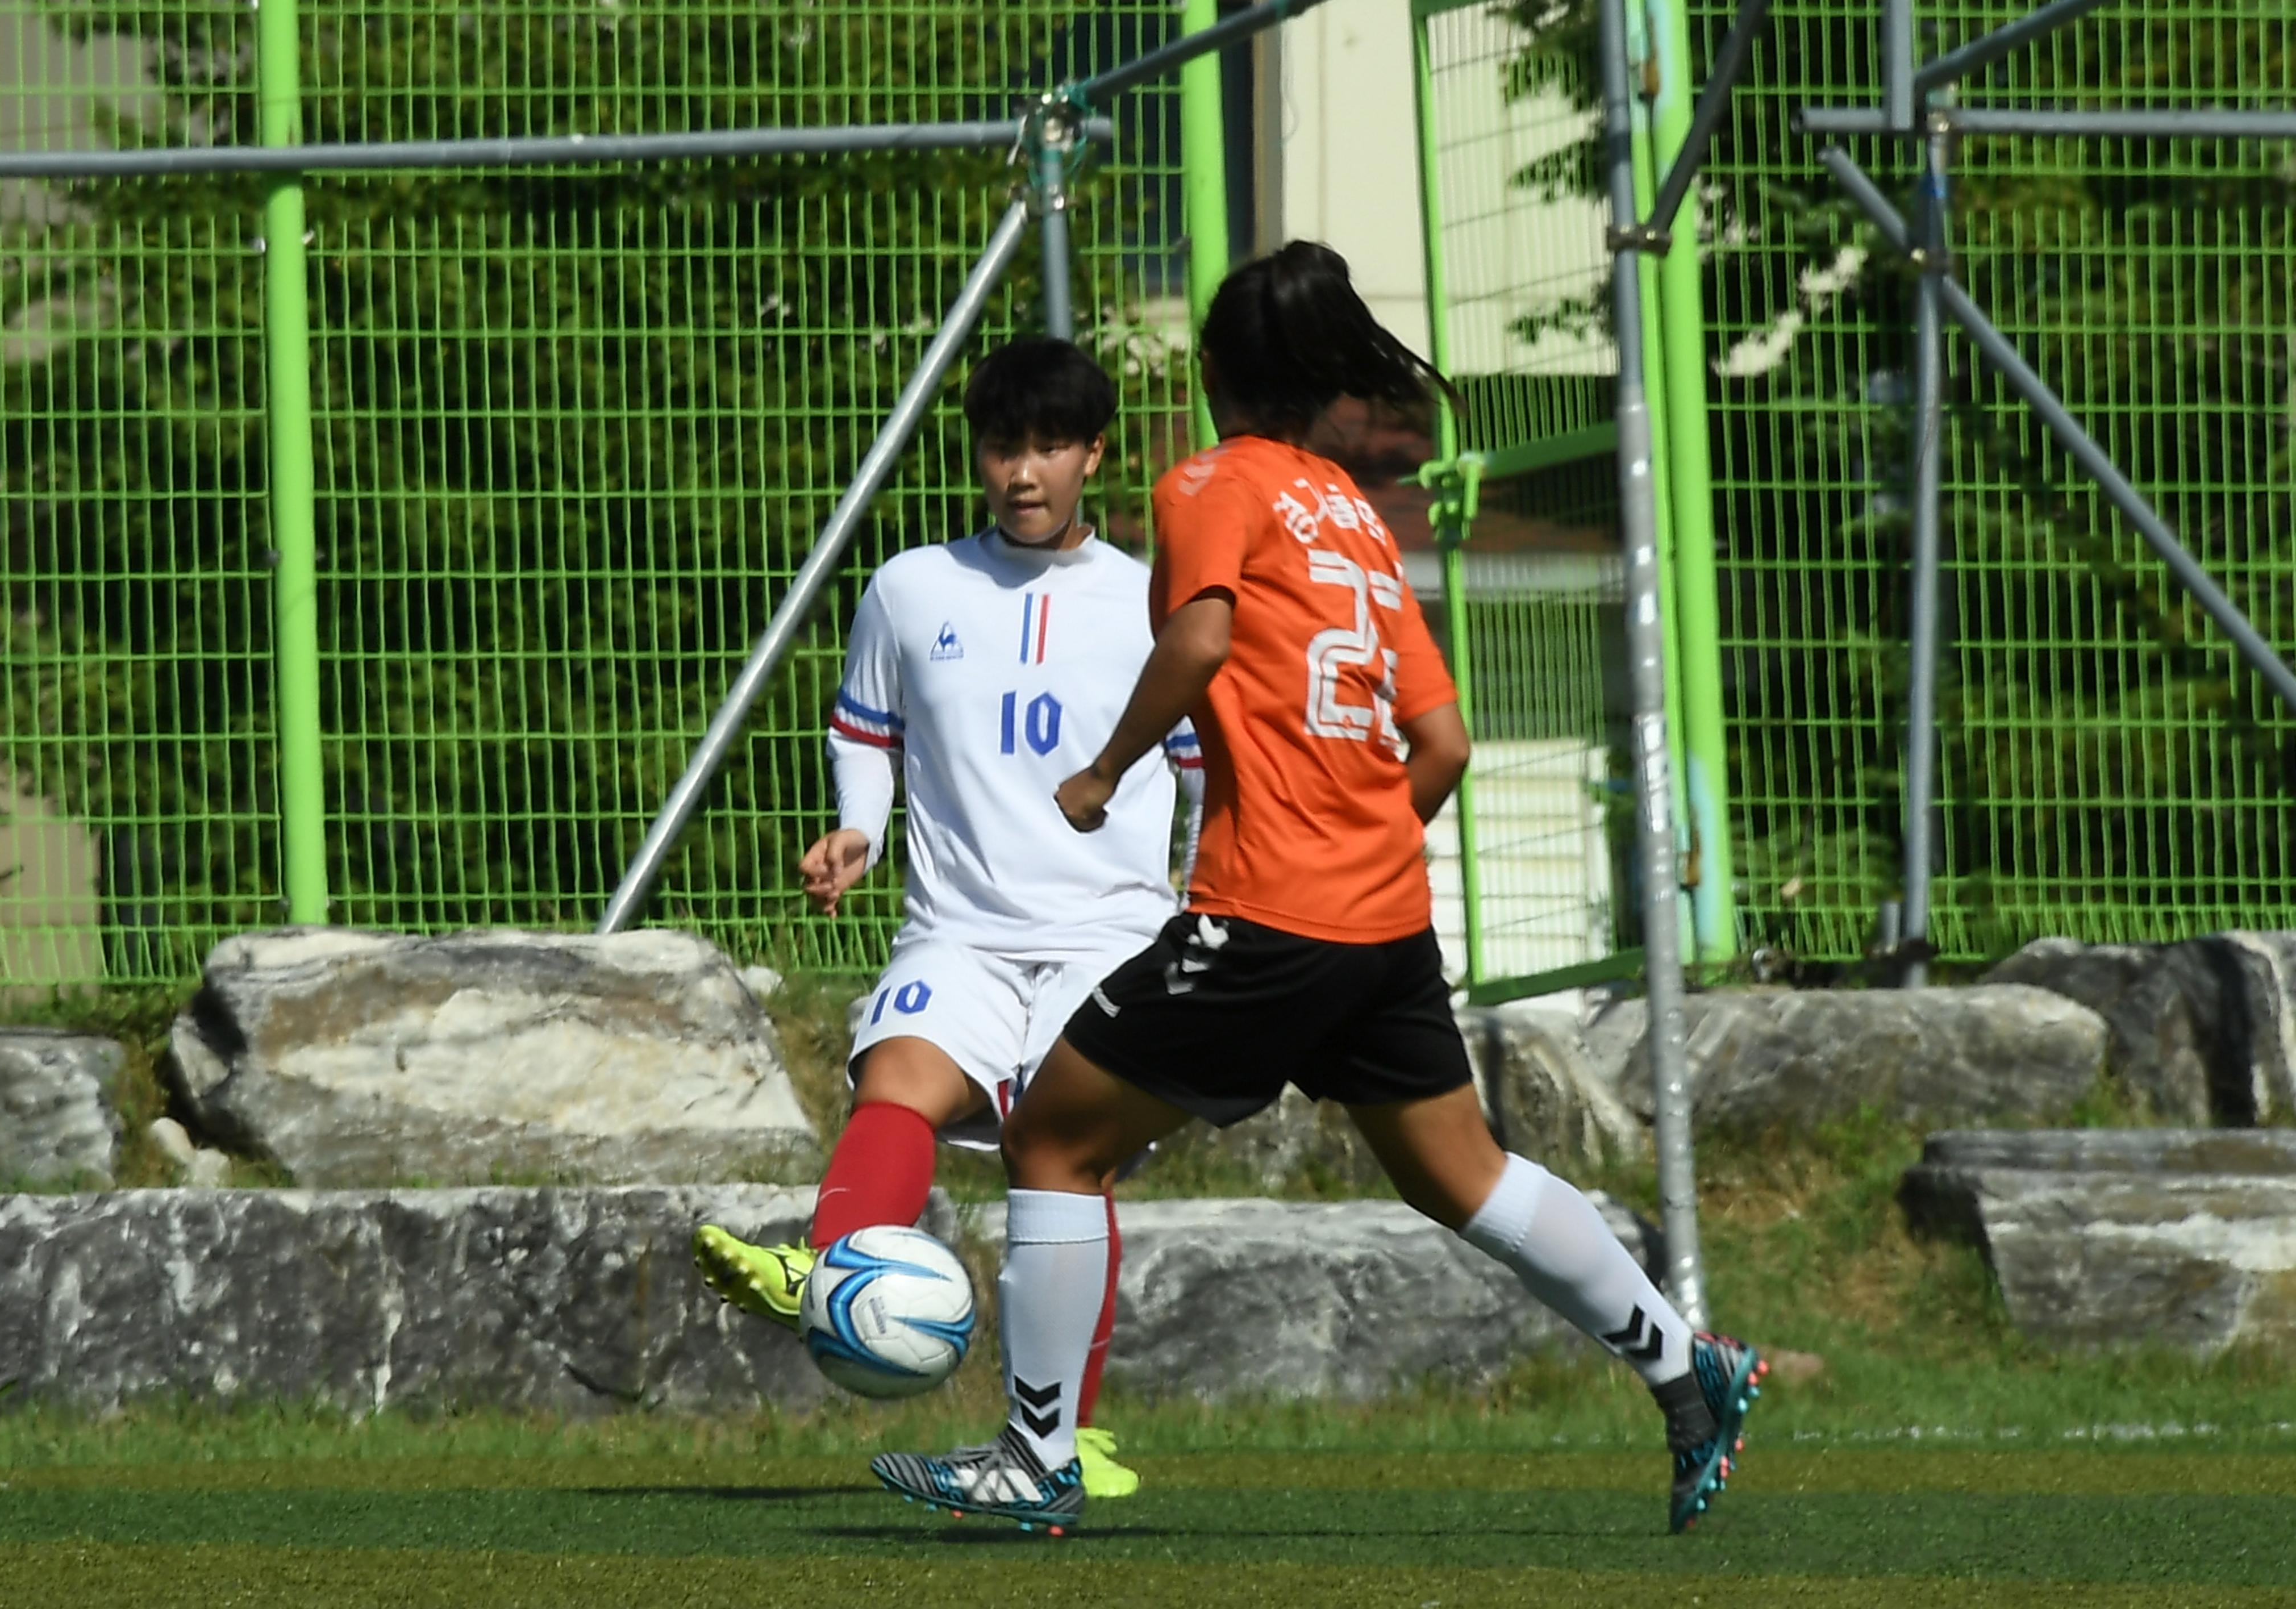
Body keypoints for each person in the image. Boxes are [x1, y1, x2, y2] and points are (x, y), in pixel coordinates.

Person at [872, 242, 1763, 1536]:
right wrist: (1357, 864)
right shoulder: (1350, 517)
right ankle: (1687, 1370)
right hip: (1384, 921)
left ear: (1218, 374)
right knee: (1463, 1177)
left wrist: (1104, 772)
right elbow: (1443, 744)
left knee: (1054, 1141)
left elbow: (1201, 635)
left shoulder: (1206, 485)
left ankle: (1036, 1458)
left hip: (1268, 913)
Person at [693, 336, 1200, 1502]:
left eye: (1050, 447)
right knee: (898, 1086)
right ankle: (826, 1271)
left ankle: (1072, 1430)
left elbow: (1201, 768)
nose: (1023, 471)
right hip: (958, 929)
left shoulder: (1151, 603)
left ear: (1093, 455)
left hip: (1109, 934)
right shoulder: (912, 586)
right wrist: (856, 830)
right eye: (1002, 446)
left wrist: (1205, 901)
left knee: (1063, 1167)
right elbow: (868, 730)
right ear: (978, 456)